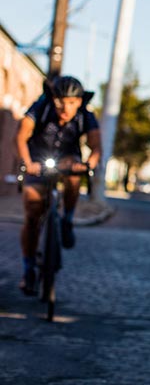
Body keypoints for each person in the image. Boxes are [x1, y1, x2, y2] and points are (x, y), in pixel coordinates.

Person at [15, 75, 101, 295]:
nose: (65, 107)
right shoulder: (40, 108)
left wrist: (89, 164)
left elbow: (96, 147)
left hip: (68, 159)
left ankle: (68, 218)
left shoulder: (86, 116)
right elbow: (21, 136)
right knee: (33, 211)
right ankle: (28, 269)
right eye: (61, 101)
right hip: (38, 160)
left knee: (74, 178)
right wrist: (27, 163)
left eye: (71, 102)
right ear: (53, 99)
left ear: (79, 102)